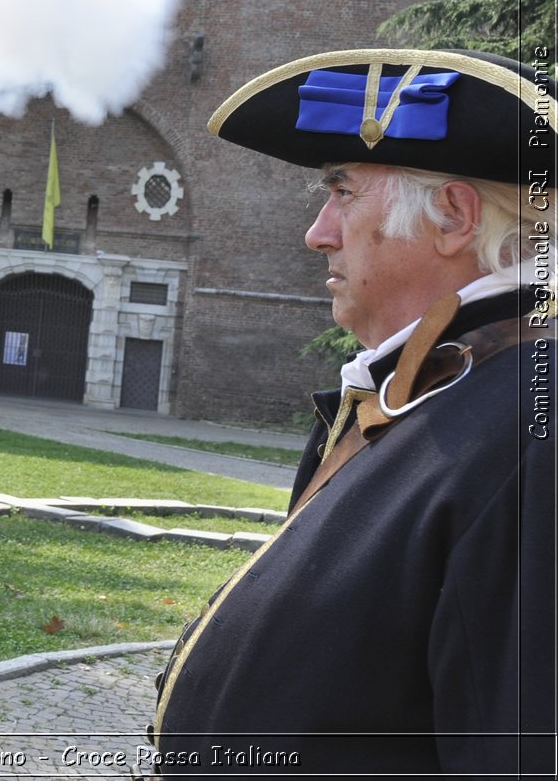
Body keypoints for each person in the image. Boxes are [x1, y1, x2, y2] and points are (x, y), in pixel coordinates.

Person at [149, 48, 555, 776]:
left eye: (342, 192)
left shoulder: (533, 429)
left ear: (455, 217)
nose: (318, 232)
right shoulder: (434, 388)